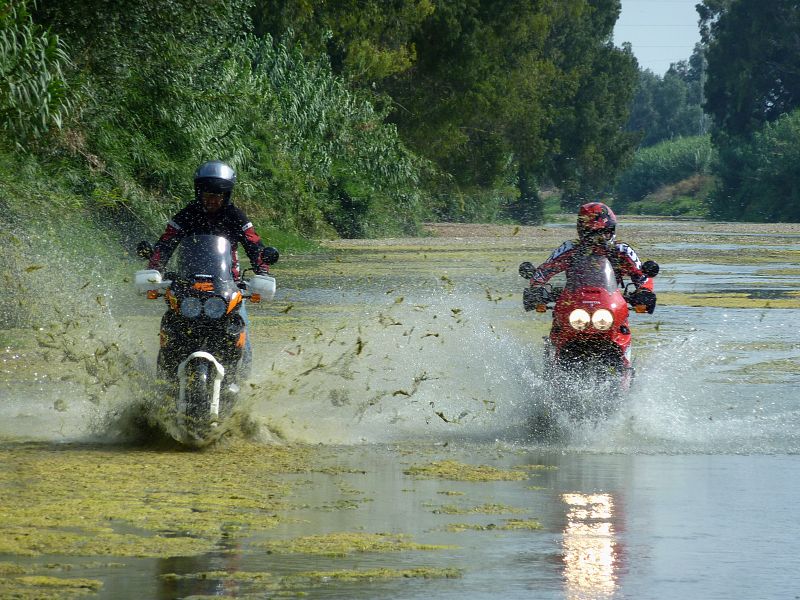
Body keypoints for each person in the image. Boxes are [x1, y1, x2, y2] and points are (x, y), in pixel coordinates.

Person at [147, 160, 277, 378]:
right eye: (207, 193)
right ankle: (164, 381)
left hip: (228, 286)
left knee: (242, 337)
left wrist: (262, 270)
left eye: (218, 194)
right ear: (199, 192)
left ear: (226, 195)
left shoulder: (236, 217)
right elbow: (166, 242)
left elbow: (254, 244)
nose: (212, 199)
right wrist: (154, 268)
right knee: (170, 330)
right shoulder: (186, 215)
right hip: (187, 286)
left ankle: (239, 385)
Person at [521, 202, 656, 313]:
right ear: (582, 232)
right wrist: (537, 287)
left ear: (612, 230)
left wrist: (644, 291)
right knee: (559, 327)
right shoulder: (571, 249)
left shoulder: (622, 251)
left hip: (610, 305)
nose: (599, 238)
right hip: (573, 304)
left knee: (622, 327)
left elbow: (642, 276)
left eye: (604, 232)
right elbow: (544, 271)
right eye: (592, 233)